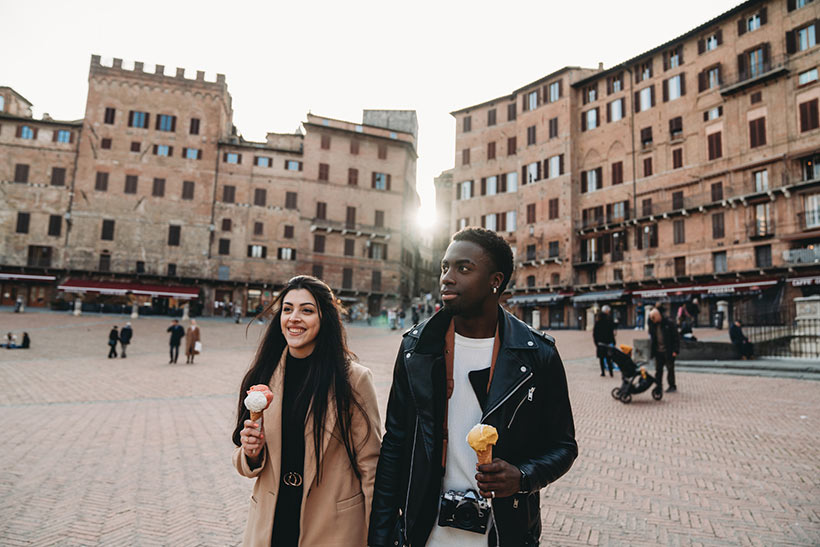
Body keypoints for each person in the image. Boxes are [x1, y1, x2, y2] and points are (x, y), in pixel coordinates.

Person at [369, 228, 577, 547]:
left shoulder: (538, 355)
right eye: (445, 267)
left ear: (495, 280)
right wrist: (380, 536)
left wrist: (522, 477)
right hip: (423, 533)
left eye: (463, 268)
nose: (447, 278)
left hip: (504, 532)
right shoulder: (416, 349)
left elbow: (564, 446)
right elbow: (394, 445)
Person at [232, 275, 382, 546]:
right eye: (287, 309)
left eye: (307, 310)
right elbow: (244, 461)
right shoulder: (263, 375)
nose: (294, 318)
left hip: (333, 527)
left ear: (324, 318)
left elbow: (371, 465)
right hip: (271, 523)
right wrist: (251, 453)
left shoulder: (353, 380)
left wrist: (376, 537)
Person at [648, 307, 680, 393]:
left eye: (653, 318)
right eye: (651, 319)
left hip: (668, 350)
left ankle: (672, 386)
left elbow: (676, 337)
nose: (652, 320)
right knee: (658, 370)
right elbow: (652, 338)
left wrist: (675, 350)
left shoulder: (669, 323)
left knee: (670, 369)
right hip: (658, 351)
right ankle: (658, 386)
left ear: (658, 316)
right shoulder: (653, 325)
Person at [593, 306, 616, 377]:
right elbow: (611, 332)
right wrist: (613, 341)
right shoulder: (609, 320)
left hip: (600, 343)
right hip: (608, 341)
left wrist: (596, 342)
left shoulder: (598, 321)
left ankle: (603, 372)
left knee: (601, 358)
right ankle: (611, 373)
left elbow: (595, 333)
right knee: (609, 358)